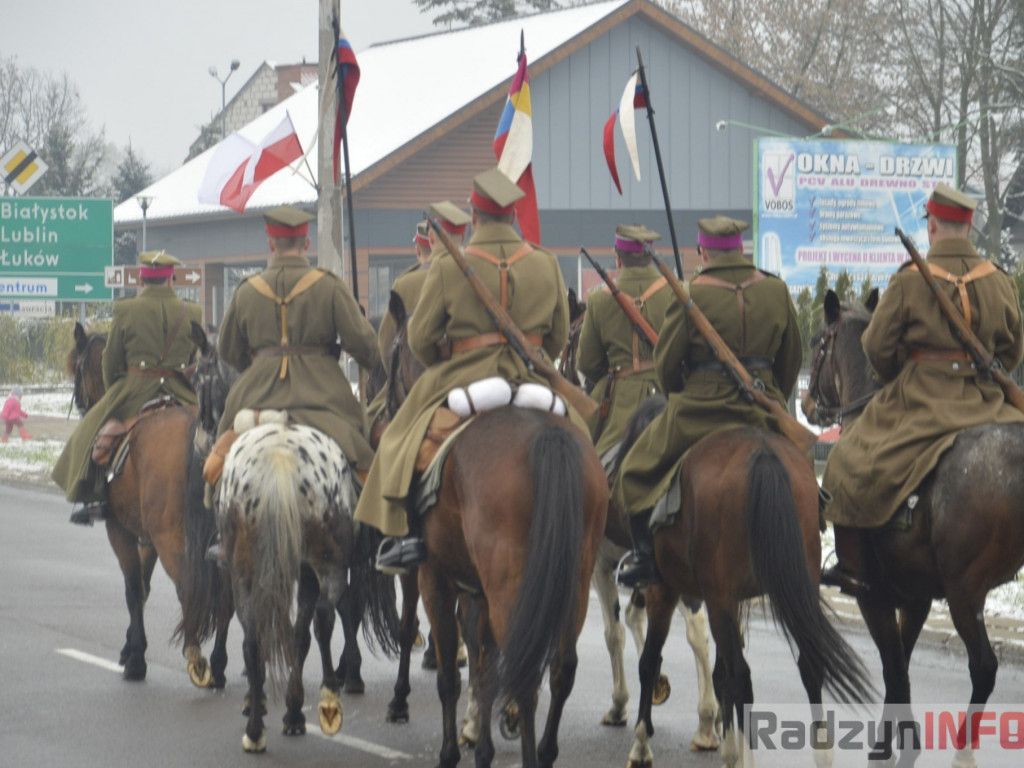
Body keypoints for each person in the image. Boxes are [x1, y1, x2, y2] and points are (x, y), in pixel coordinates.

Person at [354, 168, 577, 574]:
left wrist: (447, 361)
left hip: (463, 380)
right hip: (530, 379)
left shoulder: (448, 266)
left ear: (473, 217)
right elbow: (558, 338)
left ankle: (403, 537)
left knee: (397, 441)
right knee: (585, 437)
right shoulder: (546, 264)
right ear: (512, 217)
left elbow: (419, 339)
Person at [821, 183, 1024, 596]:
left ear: (932, 227)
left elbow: (875, 348)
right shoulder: (999, 280)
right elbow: (1014, 351)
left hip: (919, 403)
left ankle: (854, 568)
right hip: (988, 404)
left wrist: (898, 368)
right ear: (967, 229)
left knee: (845, 462)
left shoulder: (910, 279)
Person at [612, 216, 802, 587]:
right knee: (805, 472)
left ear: (703, 251)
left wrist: (682, 391)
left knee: (633, 470)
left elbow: (666, 364)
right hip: (764, 405)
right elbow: (791, 357)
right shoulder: (776, 289)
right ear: (740, 250)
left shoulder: (692, 291)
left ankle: (647, 559)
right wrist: (770, 395)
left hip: (700, 409)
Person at [212, 205, 379, 483]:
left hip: (255, 395)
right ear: (307, 244)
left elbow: (227, 349)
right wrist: (368, 356)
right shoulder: (329, 286)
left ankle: (212, 504)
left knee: (218, 457)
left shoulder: (246, 291)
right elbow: (364, 346)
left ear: (270, 243)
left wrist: (258, 366)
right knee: (363, 459)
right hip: (324, 396)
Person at [53, 251, 202, 525]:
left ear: (143, 280)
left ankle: (95, 496)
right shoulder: (192, 310)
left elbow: (110, 359)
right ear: (172, 279)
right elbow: (194, 355)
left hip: (134, 390)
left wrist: (114, 392)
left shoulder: (126, 309)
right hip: (181, 390)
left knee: (89, 435)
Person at [367, 205, 471, 429]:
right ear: (462, 237)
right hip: (479, 379)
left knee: (374, 434)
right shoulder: (480, 274)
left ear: (431, 238)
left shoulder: (406, 283)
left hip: (421, 386)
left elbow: (386, 347)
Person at [577, 224, 673, 459]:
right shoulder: (677, 292)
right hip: (669, 396)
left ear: (618, 259)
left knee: (587, 456)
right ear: (651, 259)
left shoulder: (599, 299)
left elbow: (587, 363)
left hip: (618, 400)